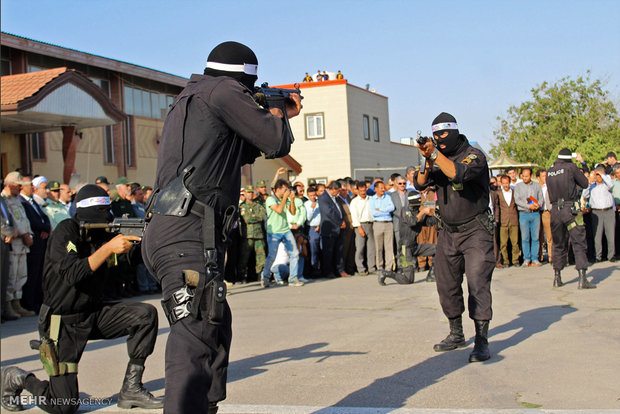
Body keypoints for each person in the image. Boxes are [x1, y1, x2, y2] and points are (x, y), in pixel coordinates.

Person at [141, 41, 301, 414]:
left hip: (173, 229)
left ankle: (206, 408)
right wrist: (276, 107)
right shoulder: (225, 91)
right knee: (194, 339)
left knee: (214, 325)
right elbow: (276, 140)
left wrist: (277, 111)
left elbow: (252, 146)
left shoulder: (193, 97)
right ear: (246, 78)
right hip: (186, 232)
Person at [1, 184, 162, 413]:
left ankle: (132, 387)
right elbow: (72, 273)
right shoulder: (67, 231)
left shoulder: (104, 234)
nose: (106, 216)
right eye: (101, 211)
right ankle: (18, 378)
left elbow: (126, 264)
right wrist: (108, 249)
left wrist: (143, 245)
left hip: (92, 313)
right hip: (61, 322)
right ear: (86, 211)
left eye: (108, 210)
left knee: (145, 315)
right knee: (64, 406)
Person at [414, 112, 495, 363]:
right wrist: (427, 159)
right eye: (435, 136)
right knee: (446, 285)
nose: (439, 139)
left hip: (475, 231)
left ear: (455, 131)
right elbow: (419, 183)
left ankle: (481, 340)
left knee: (477, 283)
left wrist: (436, 155)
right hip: (448, 231)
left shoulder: (473, 155)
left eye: (443, 134)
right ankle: (456, 333)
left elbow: (458, 173)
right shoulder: (438, 157)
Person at [546, 149, 596, 288]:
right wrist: (582, 163)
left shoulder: (550, 171)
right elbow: (585, 183)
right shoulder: (571, 167)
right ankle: (582, 278)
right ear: (569, 158)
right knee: (579, 242)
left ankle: (557, 277)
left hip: (555, 211)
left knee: (558, 244)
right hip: (571, 210)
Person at [379, 191, 437, 285]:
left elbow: (429, 222)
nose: (420, 202)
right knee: (408, 279)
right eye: (419, 200)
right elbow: (412, 222)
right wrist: (423, 212)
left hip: (414, 245)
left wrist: (436, 213)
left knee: (437, 249)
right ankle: (385, 273)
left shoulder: (418, 212)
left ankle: (432, 274)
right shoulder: (405, 210)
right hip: (404, 249)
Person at [1, 172, 34, 319]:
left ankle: (17, 303)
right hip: (13, 242)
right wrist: (22, 234)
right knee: (12, 276)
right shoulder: (5, 200)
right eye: (18, 186)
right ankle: (8, 305)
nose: (20, 188)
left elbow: (24, 220)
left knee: (21, 274)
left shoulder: (17, 200)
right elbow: (9, 221)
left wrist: (29, 234)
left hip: (23, 243)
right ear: (9, 185)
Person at [19, 175, 51, 313]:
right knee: (31, 274)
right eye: (29, 185)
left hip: (40, 240)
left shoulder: (32, 201)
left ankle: (36, 302)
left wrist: (46, 228)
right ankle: (29, 303)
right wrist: (42, 228)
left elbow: (44, 218)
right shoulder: (22, 202)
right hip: (33, 242)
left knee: (38, 274)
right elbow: (32, 221)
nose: (32, 187)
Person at [583, 165, 615, 263]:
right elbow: (585, 195)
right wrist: (589, 183)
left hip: (608, 211)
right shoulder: (592, 186)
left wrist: (602, 174)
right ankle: (598, 256)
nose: (597, 177)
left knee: (610, 235)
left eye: (598, 175)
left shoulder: (607, 185)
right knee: (597, 235)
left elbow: (611, 185)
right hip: (596, 212)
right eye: (596, 175)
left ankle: (611, 255)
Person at [514, 167, 543, 267]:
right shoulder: (518, 186)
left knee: (535, 237)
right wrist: (528, 206)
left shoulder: (537, 186)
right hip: (523, 214)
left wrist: (537, 205)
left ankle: (535, 258)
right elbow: (517, 200)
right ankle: (526, 258)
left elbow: (541, 199)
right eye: (523, 176)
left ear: (531, 176)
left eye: (527, 176)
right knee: (525, 238)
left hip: (535, 214)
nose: (525, 178)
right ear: (521, 176)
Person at [237, 185, 267, 282]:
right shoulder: (242, 207)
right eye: (248, 192)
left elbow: (262, 216)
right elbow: (247, 219)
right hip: (247, 236)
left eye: (251, 192)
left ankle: (261, 275)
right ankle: (241, 276)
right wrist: (254, 217)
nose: (250, 194)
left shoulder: (258, 205)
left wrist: (253, 217)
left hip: (259, 235)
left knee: (261, 257)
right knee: (244, 258)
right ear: (245, 194)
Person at [319, 180, 347, 278]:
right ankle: (328, 271)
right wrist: (340, 222)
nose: (338, 193)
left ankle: (340, 270)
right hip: (329, 229)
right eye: (338, 191)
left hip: (338, 229)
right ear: (332, 189)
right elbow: (329, 212)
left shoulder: (335, 198)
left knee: (339, 251)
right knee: (328, 252)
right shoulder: (323, 198)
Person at [494, 175, 521, 267]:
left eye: (507, 183)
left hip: (514, 220)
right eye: (504, 183)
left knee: (515, 242)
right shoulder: (498, 193)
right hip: (503, 221)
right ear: (501, 183)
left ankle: (515, 260)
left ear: (509, 182)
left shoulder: (514, 192)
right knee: (503, 243)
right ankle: (505, 261)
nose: (505, 185)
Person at [349, 181, 376, 275]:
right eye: (361, 191)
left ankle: (371, 267)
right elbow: (354, 216)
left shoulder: (371, 199)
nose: (363, 192)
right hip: (360, 225)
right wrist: (359, 228)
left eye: (364, 190)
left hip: (371, 224)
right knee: (360, 247)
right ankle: (361, 268)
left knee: (371, 247)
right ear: (357, 190)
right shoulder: (354, 202)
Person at [369, 180, 395, 272]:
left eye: (383, 188)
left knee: (389, 247)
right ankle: (380, 267)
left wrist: (380, 209)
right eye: (380, 188)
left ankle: (389, 267)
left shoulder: (387, 197)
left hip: (388, 223)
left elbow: (392, 208)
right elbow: (374, 213)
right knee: (378, 247)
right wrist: (384, 210)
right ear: (375, 189)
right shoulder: (372, 199)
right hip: (378, 224)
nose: (383, 189)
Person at [304, 186, 322, 277]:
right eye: (311, 196)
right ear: (308, 195)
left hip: (320, 227)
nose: (313, 197)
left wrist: (320, 225)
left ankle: (322, 268)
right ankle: (314, 269)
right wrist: (312, 209)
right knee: (313, 249)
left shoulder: (319, 203)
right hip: (312, 228)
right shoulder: (307, 204)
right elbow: (307, 218)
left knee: (322, 248)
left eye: (314, 195)